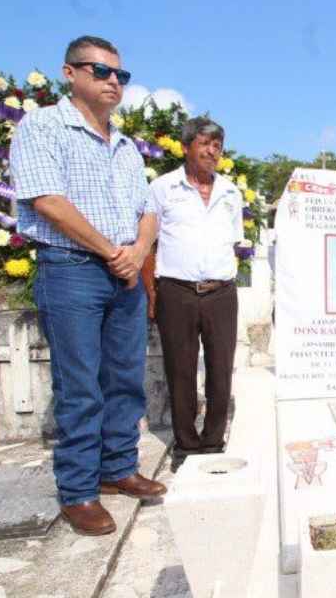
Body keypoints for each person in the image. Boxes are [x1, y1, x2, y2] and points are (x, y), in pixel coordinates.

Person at [9, 35, 165, 536]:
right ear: (69, 73)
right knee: (80, 385)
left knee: (124, 378)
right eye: (100, 71)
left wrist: (137, 252)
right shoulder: (44, 126)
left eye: (120, 74)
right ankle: (78, 490)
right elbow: (45, 199)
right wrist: (111, 250)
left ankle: (117, 469)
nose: (113, 81)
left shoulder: (125, 146)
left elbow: (148, 210)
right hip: (74, 269)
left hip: (125, 273)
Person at [149, 117, 243, 472]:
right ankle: (186, 446)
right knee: (181, 370)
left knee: (221, 370)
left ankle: (213, 441)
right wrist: (151, 293)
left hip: (221, 293)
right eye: (204, 144)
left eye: (217, 145)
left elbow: (232, 240)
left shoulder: (231, 192)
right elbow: (149, 240)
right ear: (186, 146)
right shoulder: (163, 188)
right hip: (177, 291)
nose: (211, 151)